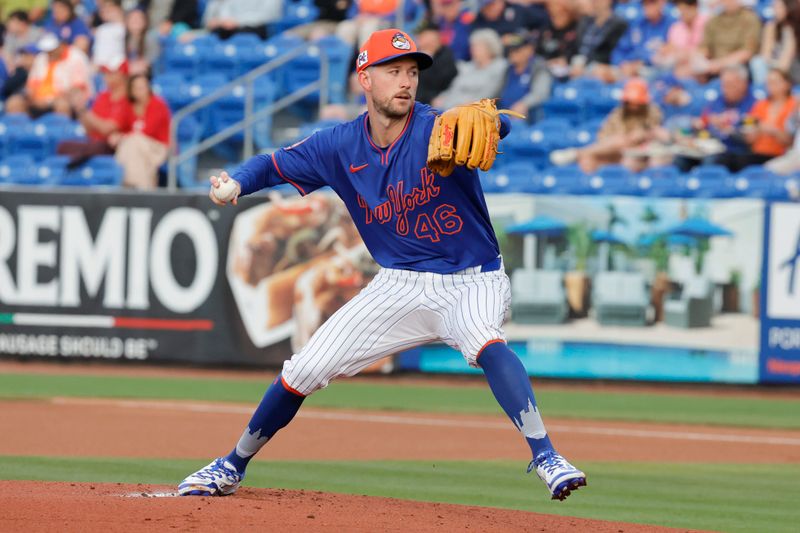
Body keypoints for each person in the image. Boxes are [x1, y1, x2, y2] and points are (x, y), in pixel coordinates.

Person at [178, 28, 587, 502]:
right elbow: (274, 164)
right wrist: (237, 182)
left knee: (486, 341)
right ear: (364, 79)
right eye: (392, 71)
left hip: (472, 279)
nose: (405, 82)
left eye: (412, 72)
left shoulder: (439, 127)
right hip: (398, 284)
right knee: (303, 369)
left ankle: (546, 455)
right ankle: (231, 465)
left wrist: (492, 123)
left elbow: (495, 126)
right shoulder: (338, 146)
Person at [551, 78, 667, 173]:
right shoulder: (618, 113)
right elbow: (604, 137)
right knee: (588, 158)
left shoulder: (653, 111)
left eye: (637, 103)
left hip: (640, 153)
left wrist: (634, 137)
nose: (633, 107)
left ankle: (577, 152)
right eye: (630, 103)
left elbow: (647, 132)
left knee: (626, 142)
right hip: (615, 152)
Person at [715, 68, 797, 172]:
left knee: (742, 162)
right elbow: (750, 139)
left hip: (781, 154)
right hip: (757, 152)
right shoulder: (761, 105)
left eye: (774, 82)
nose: (770, 86)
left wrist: (772, 130)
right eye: (768, 83)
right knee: (723, 158)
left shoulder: (794, 105)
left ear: (787, 84)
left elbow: (791, 141)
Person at [57, 56, 133, 168]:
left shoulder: (129, 99)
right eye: (105, 73)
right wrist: (79, 108)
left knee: (99, 147)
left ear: (122, 75)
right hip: (94, 142)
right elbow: (88, 129)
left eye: (110, 73)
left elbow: (107, 129)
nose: (106, 77)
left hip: (115, 147)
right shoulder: (103, 96)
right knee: (62, 146)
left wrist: (84, 110)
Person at [5, 32, 91, 117]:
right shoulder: (41, 57)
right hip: (39, 99)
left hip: (63, 98)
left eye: (52, 49)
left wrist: (51, 100)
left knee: (62, 106)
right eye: (47, 50)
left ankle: (64, 130)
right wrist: (33, 97)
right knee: (13, 103)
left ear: (61, 45)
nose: (49, 53)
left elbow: (78, 88)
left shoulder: (76, 57)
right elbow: (32, 83)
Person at [111, 73, 171, 188]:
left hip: (157, 148)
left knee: (134, 143)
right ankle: (141, 186)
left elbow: (148, 131)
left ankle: (134, 185)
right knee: (132, 147)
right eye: (136, 87)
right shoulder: (129, 105)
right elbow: (121, 127)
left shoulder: (158, 104)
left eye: (142, 87)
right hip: (135, 149)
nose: (140, 91)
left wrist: (122, 137)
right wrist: (117, 136)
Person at [432, 28, 507, 109]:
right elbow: (453, 89)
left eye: (477, 46)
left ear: (490, 47)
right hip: (452, 106)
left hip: (475, 112)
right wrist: (442, 97)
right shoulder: (467, 67)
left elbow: (489, 95)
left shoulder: (499, 66)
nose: (473, 49)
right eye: (472, 46)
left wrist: (468, 104)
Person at [695, 0, 761, 78]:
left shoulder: (750, 18)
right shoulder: (713, 20)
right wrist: (701, 59)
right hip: (713, 64)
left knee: (730, 75)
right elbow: (704, 47)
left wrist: (720, 64)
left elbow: (748, 51)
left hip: (737, 65)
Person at [611, 0, 674, 79]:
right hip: (628, 69)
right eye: (645, 4)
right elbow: (619, 49)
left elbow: (666, 55)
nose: (648, 7)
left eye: (652, 3)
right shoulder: (637, 23)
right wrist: (622, 64)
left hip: (654, 71)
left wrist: (642, 62)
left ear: (661, 3)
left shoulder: (671, 24)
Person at [498, 30, 552, 118]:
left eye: (517, 50)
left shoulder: (539, 68)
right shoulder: (507, 69)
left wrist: (524, 104)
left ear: (529, 49)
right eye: (510, 50)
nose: (512, 53)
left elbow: (540, 94)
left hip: (526, 118)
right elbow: (495, 92)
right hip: (502, 117)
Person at [571, 0, 627, 79]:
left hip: (600, 68)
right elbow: (577, 47)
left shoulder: (619, 24)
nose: (595, 2)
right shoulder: (586, 21)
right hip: (577, 65)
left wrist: (587, 67)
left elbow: (608, 52)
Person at [652, 0, 708, 79]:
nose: (683, 13)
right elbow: (670, 48)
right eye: (681, 10)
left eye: (685, 9)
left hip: (699, 66)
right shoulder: (676, 27)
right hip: (678, 64)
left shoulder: (707, 23)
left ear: (695, 7)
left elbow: (706, 51)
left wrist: (686, 53)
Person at [751, 0, 800, 85]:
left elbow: (787, 58)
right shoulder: (771, 25)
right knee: (757, 62)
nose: (775, 10)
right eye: (774, 7)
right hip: (773, 63)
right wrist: (770, 28)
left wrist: (777, 71)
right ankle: (763, 89)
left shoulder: (793, 28)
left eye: (778, 7)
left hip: (790, 66)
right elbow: (765, 53)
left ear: (788, 8)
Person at [414, 21, 458, 105]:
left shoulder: (446, 56)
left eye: (432, 40)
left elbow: (442, 83)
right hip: (418, 99)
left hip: (438, 100)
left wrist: (428, 58)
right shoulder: (415, 56)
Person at [537, 0, 580, 80]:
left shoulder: (574, 30)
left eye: (561, 15)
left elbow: (569, 56)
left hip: (563, 71)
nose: (556, 18)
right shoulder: (547, 29)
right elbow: (537, 50)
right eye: (553, 16)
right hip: (543, 66)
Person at [203, 0, 283, 40]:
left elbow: (269, 15)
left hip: (257, 28)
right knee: (216, 31)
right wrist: (222, 21)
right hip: (232, 26)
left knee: (244, 33)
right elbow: (227, 9)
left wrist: (238, 21)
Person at [92, 0, 126, 69]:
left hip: (116, 65)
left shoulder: (123, 26)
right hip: (98, 66)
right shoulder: (101, 29)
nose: (107, 12)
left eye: (110, 9)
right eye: (104, 10)